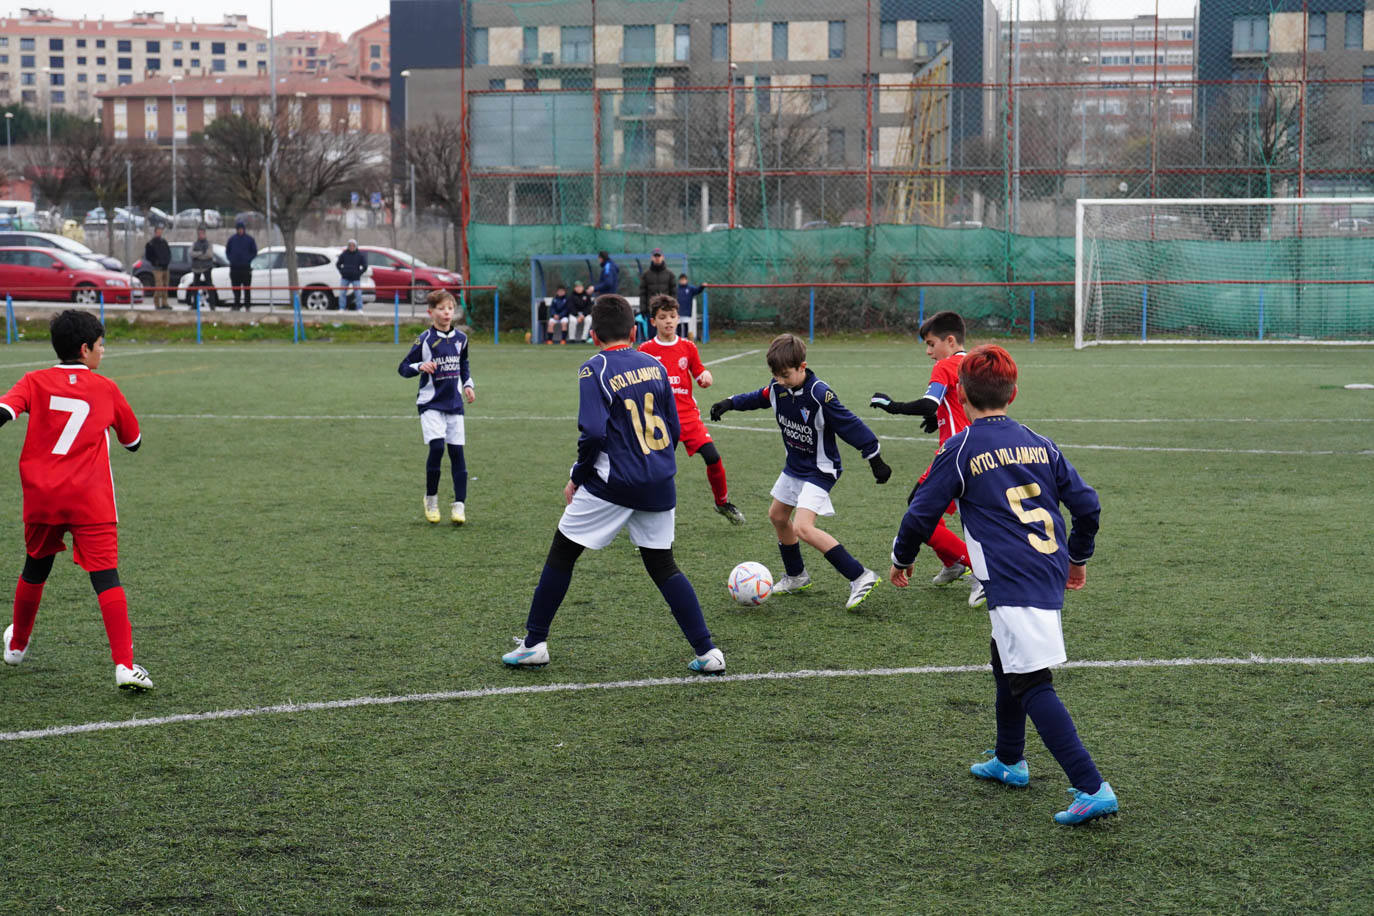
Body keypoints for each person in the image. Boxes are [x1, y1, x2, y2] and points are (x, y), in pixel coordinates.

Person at [888, 344, 1116, 826]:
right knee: (1005, 660)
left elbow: (920, 513)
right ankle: (1010, 758)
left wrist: (900, 559)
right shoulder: (1041, 441)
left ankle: (1092, 786)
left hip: (1015, 579)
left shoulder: (961, 446)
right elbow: (1088, 505)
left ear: (960, 395)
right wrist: (1077, 558)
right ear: (1015, 393)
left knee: (1032, 681)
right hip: (1045, 568)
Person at [502, 294, 724, 675]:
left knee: (562, 553)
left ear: (593, 335)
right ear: (635, 330)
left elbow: (591, 432)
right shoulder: (654, 364)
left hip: (615, 482)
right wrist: (655, 463)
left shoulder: (594, 369)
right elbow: (672, 426)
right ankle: (708, 652)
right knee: (663, 564)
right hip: (658, 480)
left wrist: (578, 476)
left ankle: (534, 643)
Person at [0, 310, 153, 691]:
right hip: (91, 500)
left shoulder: (34, 381)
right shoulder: (106, 388)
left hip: (44, 497)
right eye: (101, 345)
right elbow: (133, 442)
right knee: (106, 578)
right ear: (85, 350)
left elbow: (4, 410)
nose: (103, 352)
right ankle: (124, 665)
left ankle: (17, 646)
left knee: (35, 568)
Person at [710, 333, 891, 611]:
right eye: (776, 375)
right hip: (794, 467)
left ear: (802, 367)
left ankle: (860, 576)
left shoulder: (820, 394)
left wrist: (874, 457)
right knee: (777, 515)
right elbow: (758, 397)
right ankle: (796, 576)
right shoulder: (778, 388)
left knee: (803, 527)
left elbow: (849, 424)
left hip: (821, 470)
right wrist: (729, 402)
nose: (780, 380)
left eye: (786, 375)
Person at [870, 310, 979, 604]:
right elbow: (955, 404)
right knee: (924, 508)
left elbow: (928, 404)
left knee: (919, 513)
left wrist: (892, 406)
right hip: (976, 448)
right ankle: (952, 563)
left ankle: (980, 572)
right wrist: (941, 415)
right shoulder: (973, 364)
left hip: (954, 454)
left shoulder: (946, 365)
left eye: (931, 344)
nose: (930, 352)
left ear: (951, 340)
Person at [638, 294, 744, 525]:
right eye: (663, 317)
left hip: (687, 416)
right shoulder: (645, 350)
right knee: (655, 469)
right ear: (653, 321)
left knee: (713, 457)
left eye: (672, 316)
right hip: (659, 419)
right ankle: (646, 512)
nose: (668, 321)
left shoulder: (688, 347)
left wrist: (706, 377)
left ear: (678, 319)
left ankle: (722, 502)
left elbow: (700, 373)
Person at [397, 290, 476, 525]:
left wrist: (469, 385)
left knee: (457, 454)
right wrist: (420, 365)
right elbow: (403, 368)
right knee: (437, 447)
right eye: (441, 309)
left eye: (450, 308)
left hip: (454, 403)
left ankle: (459, 506)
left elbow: (464, 365)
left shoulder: (462, 339)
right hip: (430, 403)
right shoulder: (425, 339)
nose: (447, 313)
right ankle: (431, 499)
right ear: (430, 312)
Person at [638, 247, 674, 341]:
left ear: (663, 257)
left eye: (659, 256)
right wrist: (643, 308)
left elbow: (674, 293)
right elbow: (642, 293)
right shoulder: (646, 275)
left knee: (667, 336)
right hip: (651, 311)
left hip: (666, 311)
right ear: (652, 258)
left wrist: (672, 308)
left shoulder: (670, 274)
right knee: (652, 337)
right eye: (655, 256)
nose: (657, 258)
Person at [225, 219, 257, 310]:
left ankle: (247, 305)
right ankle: (237, 305)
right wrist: (232, 259)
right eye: (238, 229)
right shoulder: (232, 239)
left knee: (247, 288)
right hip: (234, 268)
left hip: (245, 268)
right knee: (236, 288)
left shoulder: (249, 239)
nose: (240, 230)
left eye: (241, 229)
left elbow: (254, 252)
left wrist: (247, 259)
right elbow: (227, 251)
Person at [144, 225, 172, 309]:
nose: (160, 233)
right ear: (155, 232)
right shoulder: (151, 243)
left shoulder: (164, 242)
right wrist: (155, 262)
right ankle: (157, 303)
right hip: (157, 268)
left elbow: (168, 253)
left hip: (165, 267)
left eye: (161, 231)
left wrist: (167, 261)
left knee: (165, 286)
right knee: (159, 286)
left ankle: (164, 303)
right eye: (158, 231)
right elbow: (148, 256)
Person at [188, 225, 216, 310]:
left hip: (207, 267)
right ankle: (194, 305)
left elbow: (209, 254)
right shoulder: (195, 243)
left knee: (209, 286)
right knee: (195, 286)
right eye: (199, 233)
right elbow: (191, 253)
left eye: (202, 233)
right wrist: (201, 253)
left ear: (205, 234)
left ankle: (212, 305)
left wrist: (198, 255)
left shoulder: (208, 244)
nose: (200, 235)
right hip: (196, 268)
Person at [336, 239, 367, 311]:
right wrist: (342, 271)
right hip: (345, 277)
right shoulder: (344, 254)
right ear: (348, 246)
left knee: (358, 294)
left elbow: (365, 266)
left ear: (356, 246)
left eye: (353, 245)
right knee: (342, 293)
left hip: (355, 278)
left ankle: (359, 308)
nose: (351, 247)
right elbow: (338, 264)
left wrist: (359, 273)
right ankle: (342, 308)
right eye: (350, 245)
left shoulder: (359, 255)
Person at [675, 272, 705, 341]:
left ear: (687, 280)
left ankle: (685, 339)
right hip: (677, 312)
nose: (683, 281)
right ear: (679, 281)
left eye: (684, 280)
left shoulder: (690, 288)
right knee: (678, 325)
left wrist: (702, 287)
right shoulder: (676, 289)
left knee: (685, 325)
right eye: (681, 280)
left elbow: (697, 290)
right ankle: (678, 339)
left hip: (686, 311)